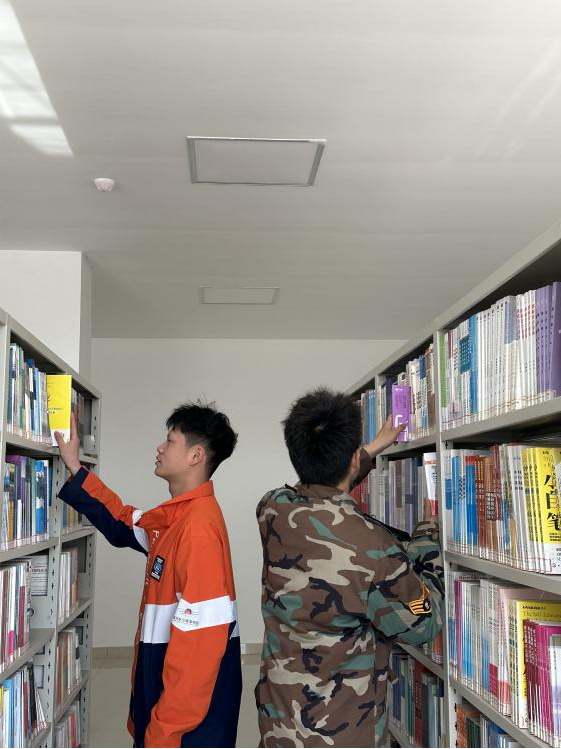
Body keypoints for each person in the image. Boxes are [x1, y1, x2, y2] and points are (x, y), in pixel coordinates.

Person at [256, 388, 443, 748]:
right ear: (354, 460)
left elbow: (316, 490)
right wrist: (427, 540)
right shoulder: (373, 547)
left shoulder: (272, 509)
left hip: (278, 720)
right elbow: (423, 625)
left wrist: (370, 449)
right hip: (342, 731)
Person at [55, 402, 242, 749]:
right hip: (166, 702)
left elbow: (198, 654)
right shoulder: (176, 519)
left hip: (186, 729)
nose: (159, 448)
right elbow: (124, 522)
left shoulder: (197, 529)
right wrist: (75, 467)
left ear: (196, 456)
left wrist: (163, 733)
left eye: (169, 441)